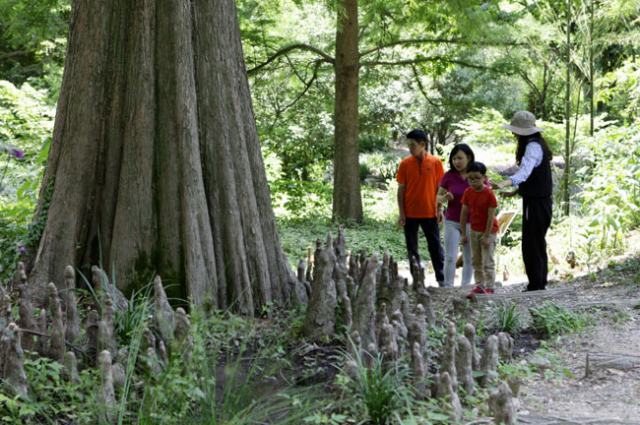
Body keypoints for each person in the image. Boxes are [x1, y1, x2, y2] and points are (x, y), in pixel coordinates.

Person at [491, 111, 553, 292]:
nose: (513, 134)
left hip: (536, 204)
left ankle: (536, 286)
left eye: (515, 130)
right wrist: (515, 192)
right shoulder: (536, 145)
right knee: (536, 243)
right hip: (539, 202)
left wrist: (503, 183)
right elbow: (532, 177)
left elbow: (524, 173)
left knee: (532, 245)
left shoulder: (533, 147)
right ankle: (539, 283)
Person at [396, 129, 445, 286]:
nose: (410, 148)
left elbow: (441, 188)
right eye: (408, 145)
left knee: (435, 246)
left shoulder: (436, 162)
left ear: (422, 144)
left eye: (412, 145)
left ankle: (442, 278)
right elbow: (401, 189)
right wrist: (401, 213)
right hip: (410, 213)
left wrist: (440, 209)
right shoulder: (405, 164)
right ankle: (417, 279)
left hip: (430, 212)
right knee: (412, 248)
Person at [436, 144, 486, 287]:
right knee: (450, 257)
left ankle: (465, 287)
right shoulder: (449, 175)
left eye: (459, 158)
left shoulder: (477, 174)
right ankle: (448, 286)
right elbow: (437, 197)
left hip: (472, 222)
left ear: (468, 158)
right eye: (453, 159)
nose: (456, 162)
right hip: (452, 221)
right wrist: (444, 197)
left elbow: (486, 194)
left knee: (469, 257)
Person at [460, 162, 499, 298]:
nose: (473, 181)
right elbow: (464, 213)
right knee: (475, 259)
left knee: (487, 260)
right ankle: (479, 286)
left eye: (476, 178)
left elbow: (491, 216)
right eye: (470, 178)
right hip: (474, 229)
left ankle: (490, 287)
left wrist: (488, 236)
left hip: (488, 231)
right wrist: (464, 234)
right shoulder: (468, 192)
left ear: (484, 177)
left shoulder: (489, 194)